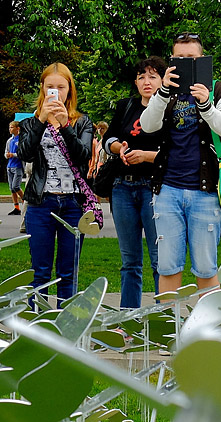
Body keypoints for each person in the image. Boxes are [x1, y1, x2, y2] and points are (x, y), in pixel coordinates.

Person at [140, 32, 221, 294]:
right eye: (179, 58)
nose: (185, 62)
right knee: (168, 266)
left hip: (204, 191)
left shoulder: (217, 88)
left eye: (191, 58)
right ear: (172, 60)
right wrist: (161, 93)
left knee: (206, 267)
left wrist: (206, 104)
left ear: (202, 59)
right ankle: (168, 330)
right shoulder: (166, 90)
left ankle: (209, 329)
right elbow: (148, 126)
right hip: (168, 189)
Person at [17, 62, 93, 306]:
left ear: (69, 89)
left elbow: (83, 155)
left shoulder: (81, 122)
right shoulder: (30, 123)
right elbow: (25, 154)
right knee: (40, 271)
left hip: (72, 203)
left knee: (68, 273)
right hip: (41, 202)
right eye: (50, 87)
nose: (56, 92)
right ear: (42, 89)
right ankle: (37, 328)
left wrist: (65, 126)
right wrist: (41, 120)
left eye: (61, 87)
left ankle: (65, 329)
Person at [102, 56, 166, 308]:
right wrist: (120, 148)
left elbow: (177, 153)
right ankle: (128, 321)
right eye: (141, 77)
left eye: (152, 76)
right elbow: (109, 139)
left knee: (160, 261)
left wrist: (146, 156)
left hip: (154, 190)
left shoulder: (169, 109)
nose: (146, 82)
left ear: (163, 80)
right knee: (130, 262)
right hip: (122, 189)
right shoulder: (126, 106)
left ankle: (163, 321)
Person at [5, 121, 23, 215]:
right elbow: (6, 151)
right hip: (10, 166)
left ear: (17, 128)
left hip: (18, 166)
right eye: (9, 127)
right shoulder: (9, 140)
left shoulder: (20, 140)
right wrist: (7, 155)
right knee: (12, 189)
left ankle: (25, 203)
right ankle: (16, 207)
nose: (10, 129)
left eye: (12, 127)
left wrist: (14, 155)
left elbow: (23, 153)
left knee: (16, 186)